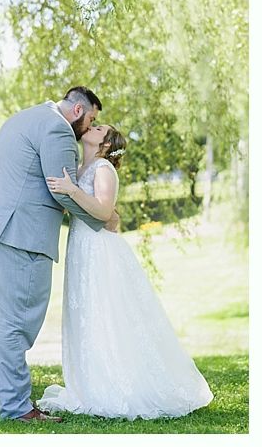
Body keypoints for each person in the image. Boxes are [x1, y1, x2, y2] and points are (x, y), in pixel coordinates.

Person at [37, 125, 213, 419]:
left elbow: (105, 212)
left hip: (99, 249)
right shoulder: (82, 167)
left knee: (106, 312)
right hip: (81, 246)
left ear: (106, 144)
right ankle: (88, 383)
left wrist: (71, 190)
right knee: (85, 313)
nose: (91, 127)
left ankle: (115, 382)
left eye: (98, 128)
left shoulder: (103, 168)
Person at [0, 86, 119, 422]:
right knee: (17, 324)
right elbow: (62, 190)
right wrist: (103, 218)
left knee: (4, 322)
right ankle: (17, 409)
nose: (91, 126)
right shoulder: (58, 129)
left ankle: (12, 402)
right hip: (23, 234)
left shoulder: (21, 118)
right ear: (79, 111)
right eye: (92, 118)